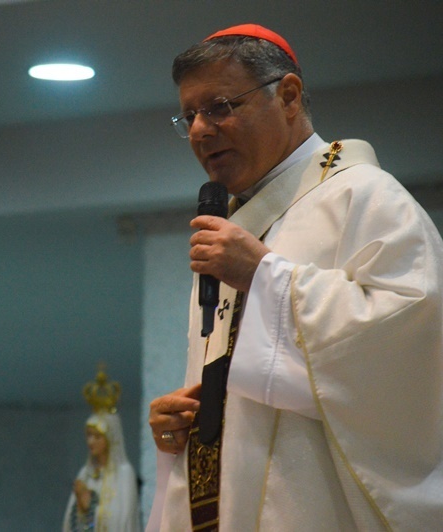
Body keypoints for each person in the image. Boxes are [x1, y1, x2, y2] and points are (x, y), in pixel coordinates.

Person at [146, 23, 443, 531]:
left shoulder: (362, 196)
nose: (198, 131)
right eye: (189, 116)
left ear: (287, 96)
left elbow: (414, 340)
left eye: (218, 107)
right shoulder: (233, 229)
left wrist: (265, 275)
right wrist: (185, 423)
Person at [64, 367, 141, 531]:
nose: (91, 441)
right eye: (89, 435)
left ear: (110, 439)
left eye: (97, 436)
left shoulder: (124, 473)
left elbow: (124, 520)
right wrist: (81, 508)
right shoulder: (85, 473)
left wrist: (90, 506)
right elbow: (71, 521)